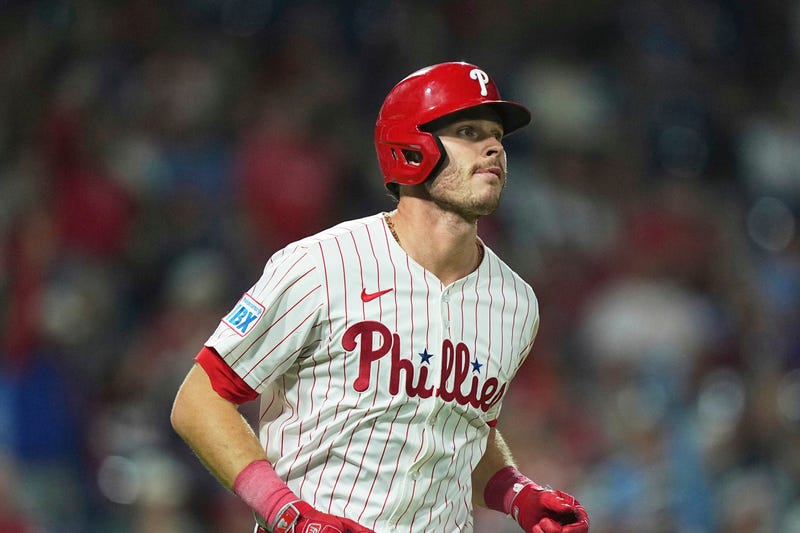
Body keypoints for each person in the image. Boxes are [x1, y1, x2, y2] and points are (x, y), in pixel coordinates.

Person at [170, 61, 590, 533]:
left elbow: (460, 433)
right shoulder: (322, 265)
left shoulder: (516, 303)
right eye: (469, 131)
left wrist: (517, 494)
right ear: (411, 148)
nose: (494, 147)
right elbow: (199, 401)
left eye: (497, 136)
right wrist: (286, 514)